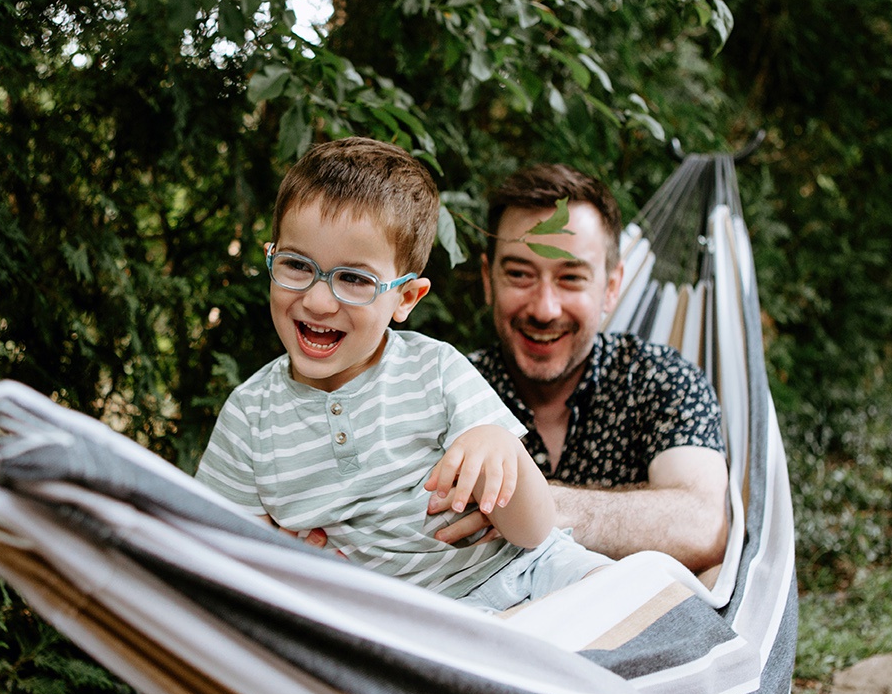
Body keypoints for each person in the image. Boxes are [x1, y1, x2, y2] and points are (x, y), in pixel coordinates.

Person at [195, 138, 609, 611]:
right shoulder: (250, 418)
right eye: (295, 265)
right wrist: (269, 566)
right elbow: (213, 554)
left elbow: (533, 531)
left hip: (524, 571)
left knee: (639, 595)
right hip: (406, 626)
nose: (316, 300)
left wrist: (502, 453)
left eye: (354, 279)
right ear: (271, 258)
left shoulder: (434, 371)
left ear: (407, 298)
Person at [429, 163, 730, 575]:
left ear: (610, 287)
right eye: (519, 274)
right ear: (487, 279)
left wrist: (533, 507)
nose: (544, 308)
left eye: (571, 278)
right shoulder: (442, 392)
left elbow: (703, 526)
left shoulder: (662, 379)